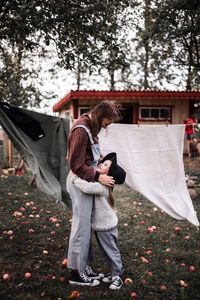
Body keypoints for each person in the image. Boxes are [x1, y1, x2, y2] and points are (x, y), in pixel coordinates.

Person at [66, 101, 122, 286]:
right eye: (106, 123)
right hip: (80, 181)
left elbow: (89, 157)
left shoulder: (91, 129)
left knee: (86, 226)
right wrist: (98, 177)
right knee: (81, 227)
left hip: (88, 179)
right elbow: (75, 165)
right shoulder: (81, 130)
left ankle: (83, 266)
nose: (106, 127)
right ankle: (76, 273)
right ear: (99, 116)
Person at [68, 152, 126, 290]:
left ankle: (117, 275)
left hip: (106, 227)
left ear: (109, 176)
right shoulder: (101, 184)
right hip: (100, 226)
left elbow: (88, 188)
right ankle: (113, 273)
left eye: (105, 165)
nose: (101, 163)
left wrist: (75, 179)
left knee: (111, 251)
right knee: (107, 251)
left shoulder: (102, 187)